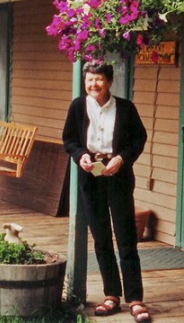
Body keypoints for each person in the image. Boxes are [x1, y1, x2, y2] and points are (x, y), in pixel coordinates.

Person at [62, 61, 151, 323]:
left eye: (98, 79)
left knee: (126, 238)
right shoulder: (78, 106)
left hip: (118, 175)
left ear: (109, 81)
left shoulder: (125, 108)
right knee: (101, 239)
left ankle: (135, 298)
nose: (93, 84)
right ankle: (111, 294)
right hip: (91, 176)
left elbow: (139, 138)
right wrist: (80, 157)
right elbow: (69, 139)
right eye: (89, 79)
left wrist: (122, 159)